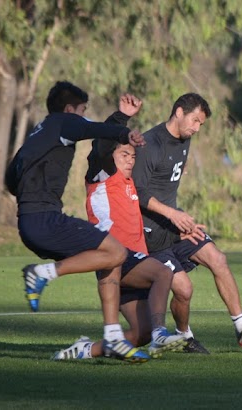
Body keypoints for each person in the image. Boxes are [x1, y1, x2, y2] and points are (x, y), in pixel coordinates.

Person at [5, 81, 152, 363]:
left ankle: (113, 338)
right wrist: (124, 131)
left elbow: (12, 178)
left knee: (110, 258)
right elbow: (92, 130)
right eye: (82, 110)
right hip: (45, 220)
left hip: (30, 222)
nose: (84, 116)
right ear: (70, 109)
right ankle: (42, 273)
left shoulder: (40, 133)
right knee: (117, 251)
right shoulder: (63, 123)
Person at [131, 93, 242, 353]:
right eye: (194, 121)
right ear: (178, 112)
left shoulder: (185, 140)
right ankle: (184, 336)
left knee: (217, 258)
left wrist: (180, 219)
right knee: (184, 289)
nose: (196, 128)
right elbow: (137, 192)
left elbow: (166, 186)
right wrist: (172, 215)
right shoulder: (150, 143)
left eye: (201, 124)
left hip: (175, 228)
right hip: (150, 235)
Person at [52, 95, 186, 361]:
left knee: (139, 334)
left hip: (135, 260)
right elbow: (101, 145)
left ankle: (86, 350)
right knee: (163, 273)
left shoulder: (129, 184)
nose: (130, 160)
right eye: (124, 154)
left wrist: (178, 230)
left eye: (133, 156)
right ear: (111, 155)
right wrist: (121, 118)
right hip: (116, 258)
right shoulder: (102, 175)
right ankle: (161, 334)